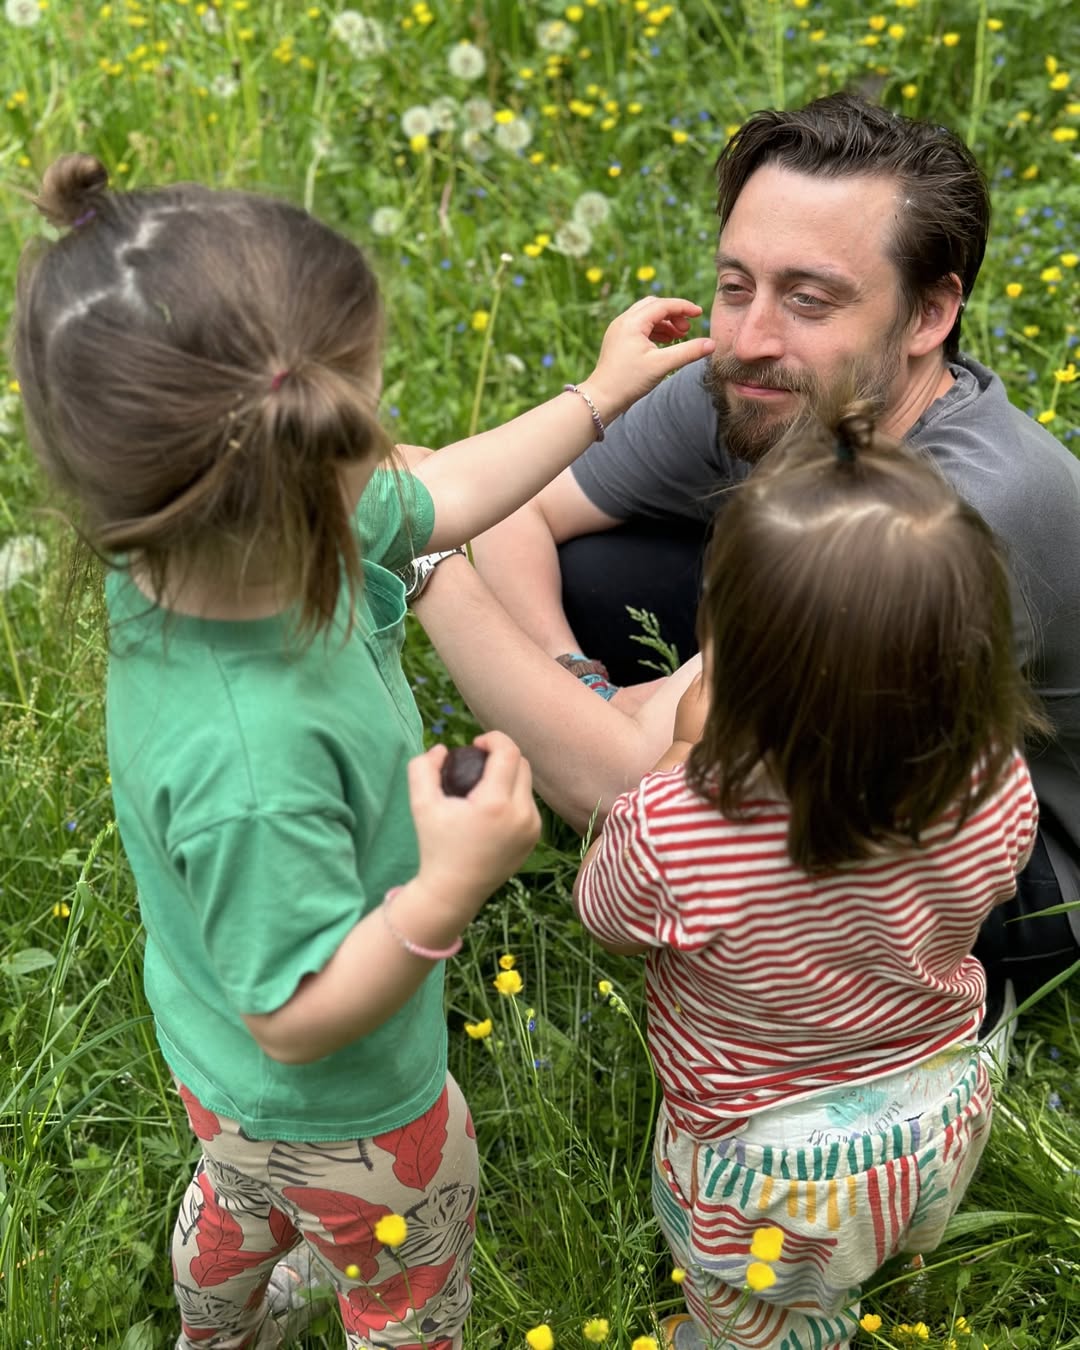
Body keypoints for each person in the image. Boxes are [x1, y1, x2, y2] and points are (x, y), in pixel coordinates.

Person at [12, 153, 715, 1350]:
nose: (386, 449)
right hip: (349, 1104)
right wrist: (449, 884)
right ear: (306, 455)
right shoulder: (255, 766)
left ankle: (218, 1315)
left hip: (213, 1064)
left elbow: (444, 498)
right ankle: (312, 1275)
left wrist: (599, 398)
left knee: (237, 1194)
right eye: (367, 420)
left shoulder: (203, 545)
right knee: (405, 1277)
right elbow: (292, 1012)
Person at [467, 90, 1080, 1028]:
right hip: (843, 741)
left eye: (810, 297)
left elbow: (626, 787)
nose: (753, 336)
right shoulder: (768, 379)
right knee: (598, 576)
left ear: (929, 313)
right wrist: (576, 673)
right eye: (736, 282)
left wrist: (423, 570)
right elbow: (513, 509)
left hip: (1008, 867)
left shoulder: (950, 522)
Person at [574, 405, 1043, 1350]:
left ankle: (752, 1330)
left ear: (731, 656)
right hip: (943, 1103)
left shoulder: (684, 824)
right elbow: (993, 887)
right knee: (889, 1227)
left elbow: (603, 909)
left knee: (765, 1314)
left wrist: (678, 756)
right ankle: (885, 1253)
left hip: (766, 1167)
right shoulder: (994, 779)